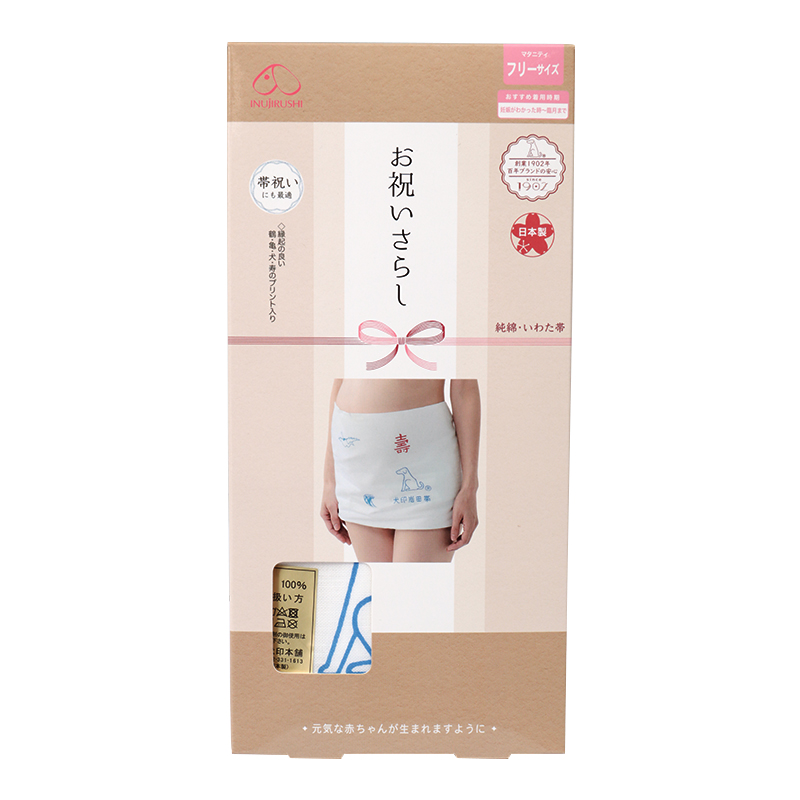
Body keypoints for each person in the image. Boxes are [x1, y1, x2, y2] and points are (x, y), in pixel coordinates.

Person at [320, 379, 480, 562]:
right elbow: (339, 381)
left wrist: (469, 487)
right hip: (354, 469)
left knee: (412, 582)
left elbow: (465, 388)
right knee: (380, 581)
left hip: (423, 463)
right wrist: (329, 482)